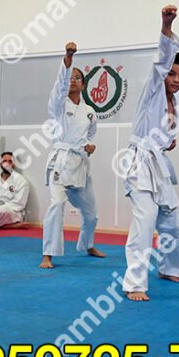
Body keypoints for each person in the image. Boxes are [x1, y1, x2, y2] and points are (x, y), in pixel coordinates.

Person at [122, 5, 179, 301]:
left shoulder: (174, 103)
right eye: (172, 74)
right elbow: (160, 63)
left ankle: (169, 267)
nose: (175, 79)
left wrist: (167, 143)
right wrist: (166, 26)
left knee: (175, 226)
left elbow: (164, 132)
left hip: (158, 164)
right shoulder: (152, 91)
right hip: (139, 163)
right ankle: (134, 284)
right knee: (145, 220)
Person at [40, 41, 105, 269]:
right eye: (70, 78)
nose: (73, 81)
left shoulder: (90, 112)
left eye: (78, 78)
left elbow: (90, 136)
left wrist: (89, 146)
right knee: (57, 205)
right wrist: (68, 58)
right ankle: (48, 254)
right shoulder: (58, 105)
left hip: (80, 165)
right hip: (60, 163)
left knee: (91, 214)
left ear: (84, 85)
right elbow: (60, 86)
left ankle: (88, 245)